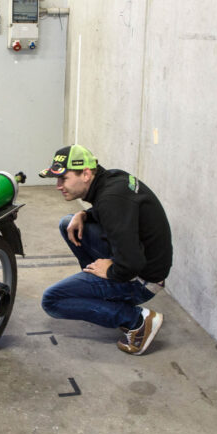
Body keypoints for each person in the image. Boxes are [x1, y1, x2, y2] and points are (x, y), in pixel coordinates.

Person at [39, 145, 173, 355]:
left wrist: (110, 270)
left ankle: (137, 321)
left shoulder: (111, 200)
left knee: (53, 300)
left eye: (63, 178)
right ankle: (103, 292)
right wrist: (85, 214)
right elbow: (117, 213)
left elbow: (132, 263)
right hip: (144, 260)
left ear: (85, 174)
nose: (58, 186)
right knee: (68, 223)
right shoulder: (112, 180)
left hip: (143, 279)